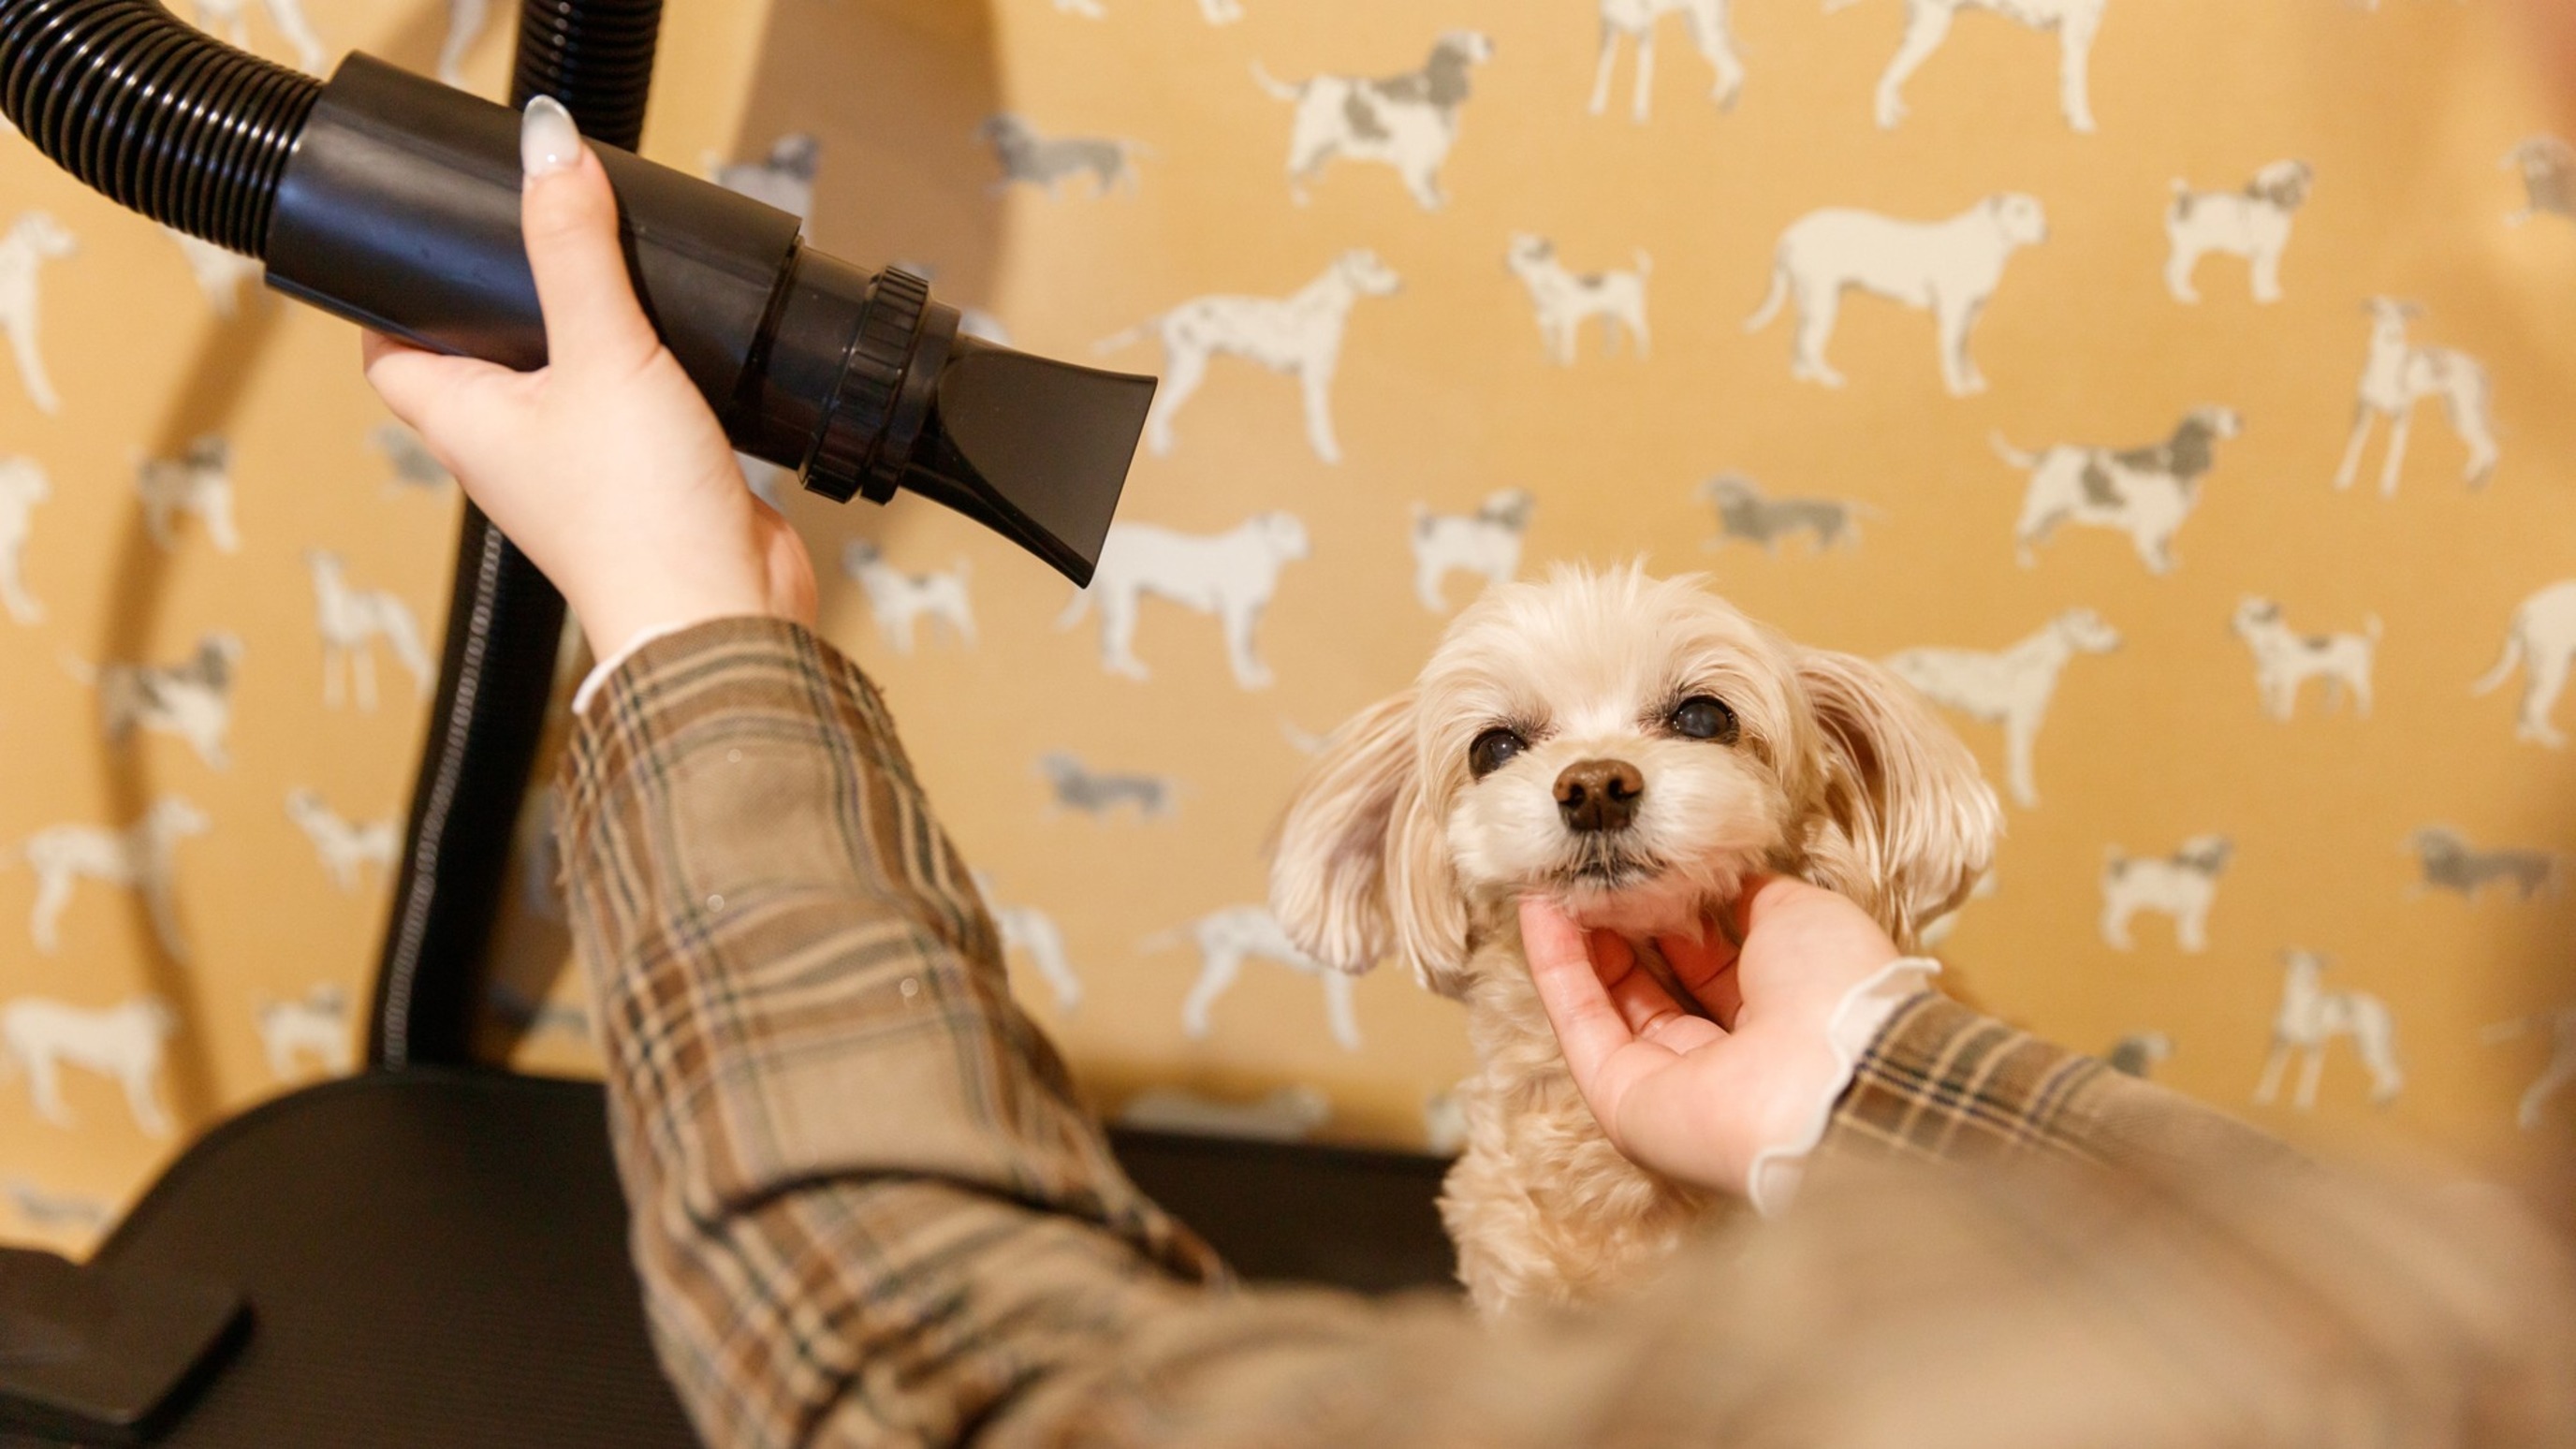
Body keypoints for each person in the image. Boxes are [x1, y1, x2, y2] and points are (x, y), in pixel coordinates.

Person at [361, 97, 2576, 1448]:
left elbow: (963, 1406)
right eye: (1518, 750)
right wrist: (1855, 1077)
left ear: (1828, 791)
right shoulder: (2453, 1322)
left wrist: (687, 622)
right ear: (1422, 835)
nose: (1599, 780)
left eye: (1686, 722)